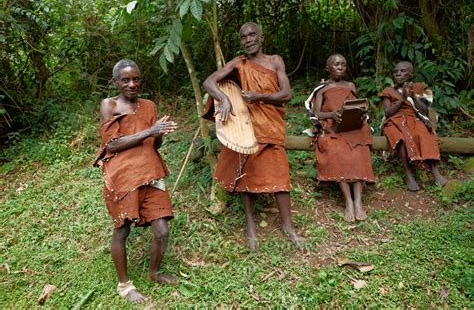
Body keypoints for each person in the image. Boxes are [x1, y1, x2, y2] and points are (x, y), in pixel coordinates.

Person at [202, 22, 302, 250]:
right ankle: (251, 228)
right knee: (245, 174)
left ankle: (288, 227)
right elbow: (209, 81)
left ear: (261, 37)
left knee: (280, 175)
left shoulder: (275, 61)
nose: (248, 39)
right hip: (246, 125)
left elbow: (286, 94)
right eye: (243, 36)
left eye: (252, 35)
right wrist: (224, 98)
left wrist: (258, 96)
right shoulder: (239, 62)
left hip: (270, 124)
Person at [94, 59, 178, 302]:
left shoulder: (149, 105)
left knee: (161, 230)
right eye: (125, 80)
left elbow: (153, 142)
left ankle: (154, 272)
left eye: (136, 79)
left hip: (151, 171)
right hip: (123, 176)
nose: (132, 84)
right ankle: (125, 285)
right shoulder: (109, 105)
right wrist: (150, 131)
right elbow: (111, 144)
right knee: (122, 229)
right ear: (116, 82)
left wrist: (158, 133)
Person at [311, 54, 375, 222]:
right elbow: (317, 113)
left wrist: (361, 114)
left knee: (360, 150)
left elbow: (357, 105)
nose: (340, 67)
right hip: (333, 127)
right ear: (328, 68)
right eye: (336, 64)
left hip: (353, 126)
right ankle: (348, 202)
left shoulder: (350, 85)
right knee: (337, 151)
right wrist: (332, 114)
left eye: (344, 65)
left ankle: (358, 202)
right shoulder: (322, 88)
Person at [379, 61, 447, 191]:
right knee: (401, 138)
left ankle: (434, 171)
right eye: (396, 72)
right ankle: (408, 174)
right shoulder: (388, 91)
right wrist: (402, 98)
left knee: (425, 133)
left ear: (410, 74)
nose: (398, 74)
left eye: (402, 71)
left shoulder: (419, 88)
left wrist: (413, 97)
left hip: (413, 119)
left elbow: (424, 111)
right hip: (394, 121)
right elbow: (387, 113)